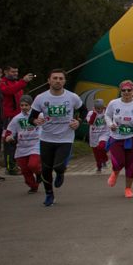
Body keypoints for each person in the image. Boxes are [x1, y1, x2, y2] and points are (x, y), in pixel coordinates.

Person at [29, 69, 84, 207]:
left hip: (65, 138)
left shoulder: (72, 97)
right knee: (46, 169)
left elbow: (84, 111)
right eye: (55, 78)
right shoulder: (41, 98)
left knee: (58, 166)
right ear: (49, 80)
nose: (58, 81)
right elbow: (31, 118)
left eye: (61, 78)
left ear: (64, 81)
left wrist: (78, 122)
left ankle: (60, 173)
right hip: (46, 138)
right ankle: (49, 194)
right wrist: (35, 121)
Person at [104, 81, 133, 198]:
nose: (126, 92)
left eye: (129, 90)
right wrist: (110, 124)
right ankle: (115, 171)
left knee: (131, 165)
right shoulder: (113, 103)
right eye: (123, 90)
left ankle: (128, 188)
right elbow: (107, 115)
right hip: (117, 137)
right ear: (120, 91)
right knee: (119, 161)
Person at [2, 95, 41, 192]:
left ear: (31, 105)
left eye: (26, 105)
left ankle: (39, 173)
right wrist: (8, 137)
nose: (24, 107)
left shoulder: (39, 115)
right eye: (22, 105)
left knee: (33, 165)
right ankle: (33, 186)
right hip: (22, 147)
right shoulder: (16, 118)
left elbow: (49, 124)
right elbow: (9, 131)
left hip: (36, 145)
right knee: (24, 170)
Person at [0, 65, 33, 174]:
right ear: (6, 72)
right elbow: (9, 91)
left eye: (16, 72)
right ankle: (10, 167)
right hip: (8, 117)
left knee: (19, 141)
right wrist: (23, 81)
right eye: (13, 72)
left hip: (18, 117)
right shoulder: (2, 83)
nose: (15, 74)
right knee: (9, 142)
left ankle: (16, 164)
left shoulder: (17, 83)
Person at [87, 97, 110, 173]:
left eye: (101, 108)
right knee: (96, 153)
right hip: (94, 135)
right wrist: (94, 113)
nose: (99, 110)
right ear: (94, 108)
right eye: (97, 109)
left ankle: (104, 159)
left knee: (101, 146)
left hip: (104, 133)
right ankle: (99, 166)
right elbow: (90, 122)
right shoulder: (90, 113)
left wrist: (107, 110)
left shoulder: (106, 112)